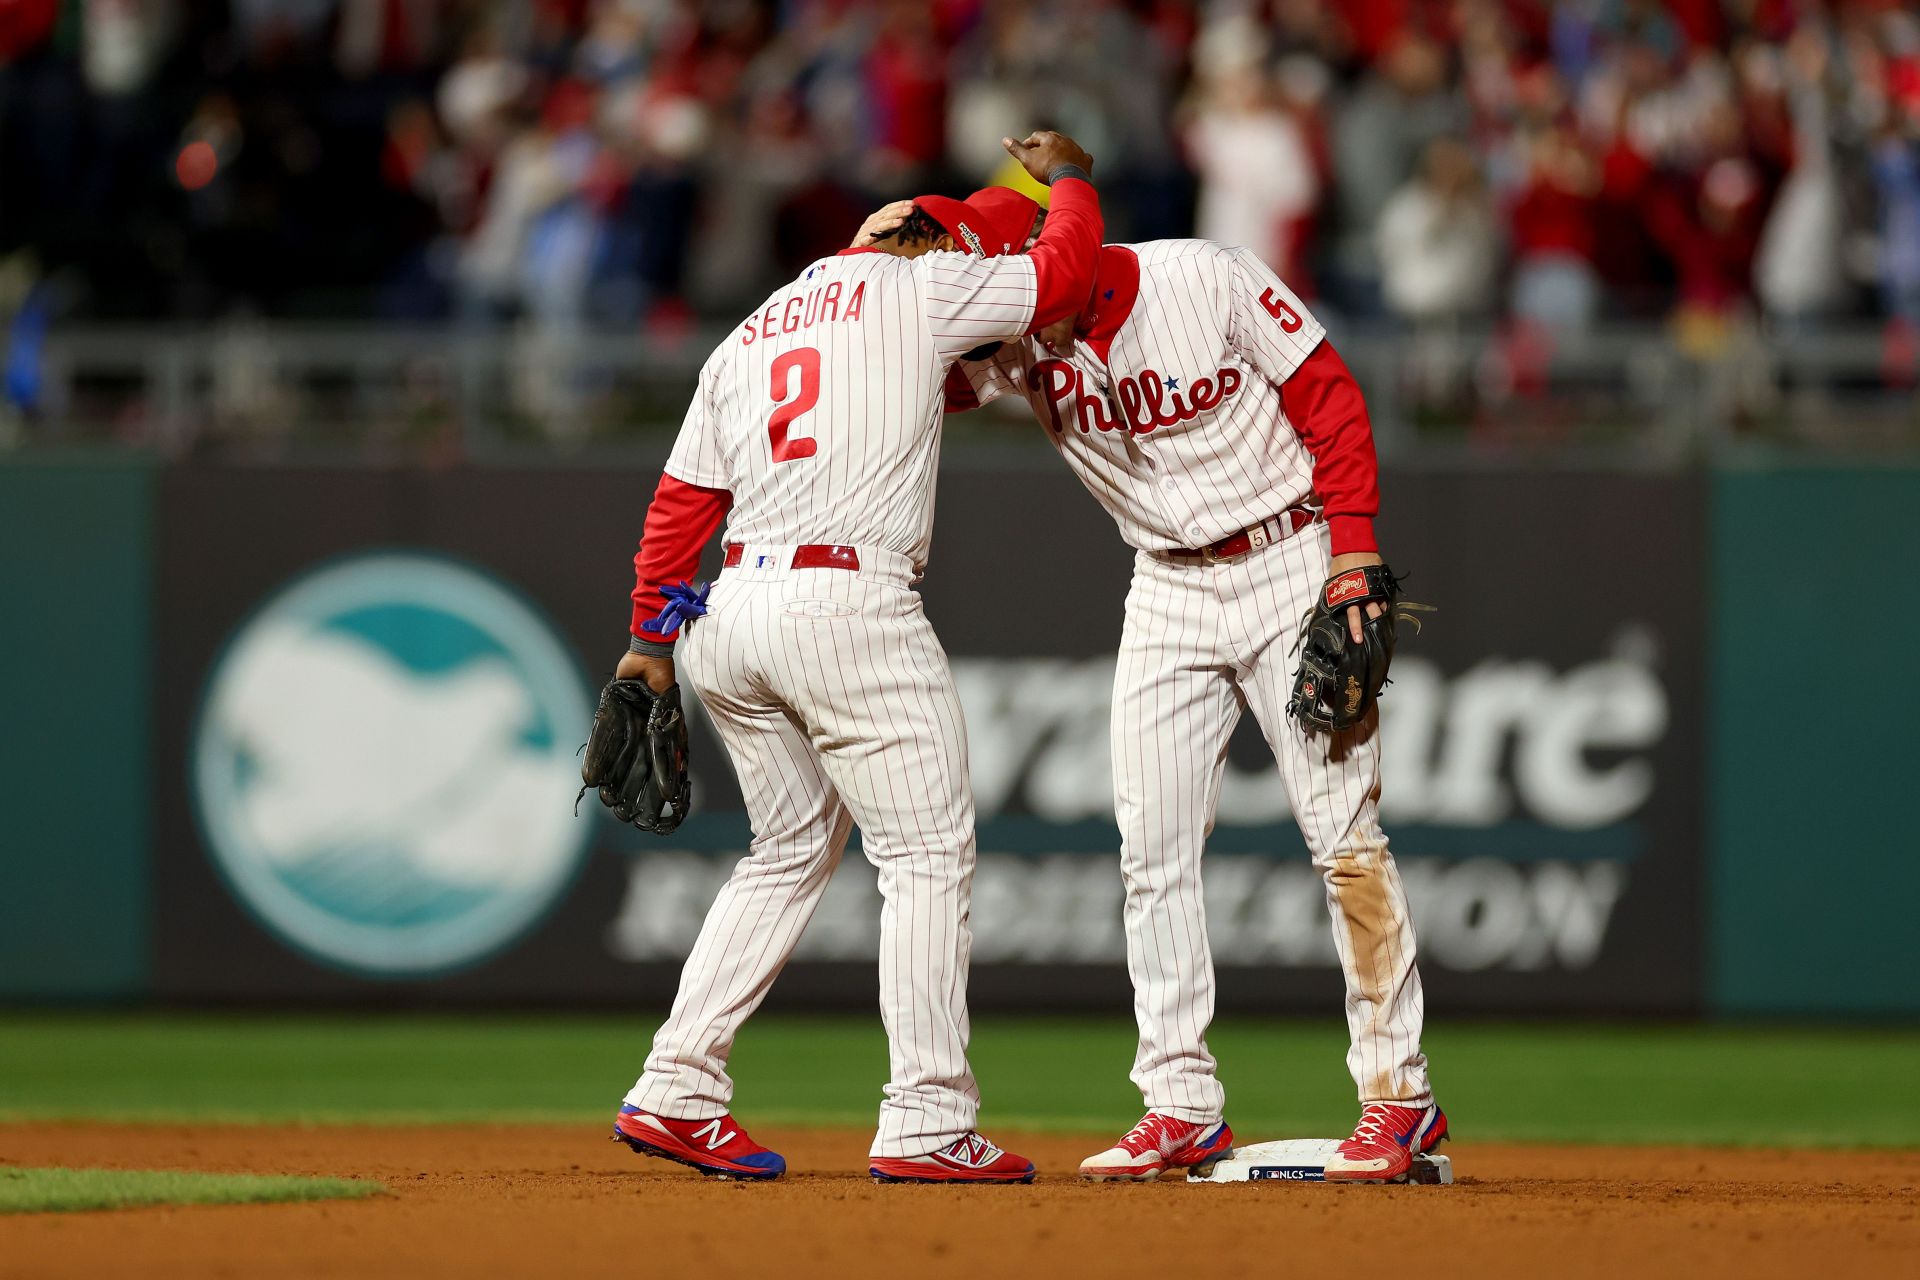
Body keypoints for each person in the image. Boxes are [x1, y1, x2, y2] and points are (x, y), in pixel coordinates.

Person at [852, 193, 1447, 1184]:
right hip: (1164, 584)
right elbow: (892, 360)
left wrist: (1354, 551)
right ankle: (1180, 1101)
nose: (983, 303)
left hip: (1287, 553)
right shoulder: (1016, 346)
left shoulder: (1203, 273)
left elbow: (1328, 391)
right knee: (1151, 851)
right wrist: (871, 247)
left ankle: (1400, 1098)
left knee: (1344, 837)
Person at [607, 132, 1103, 1184]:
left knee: (786, 850)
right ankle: (928, 1115)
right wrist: (1068, 181)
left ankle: (676, 1084)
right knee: (926, 855)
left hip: (729, 615)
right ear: (938, 248)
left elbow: (681, 503)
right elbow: (1062, 272)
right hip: (847, 603)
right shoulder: (920, 291)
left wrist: (651, 639)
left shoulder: (749, 330)